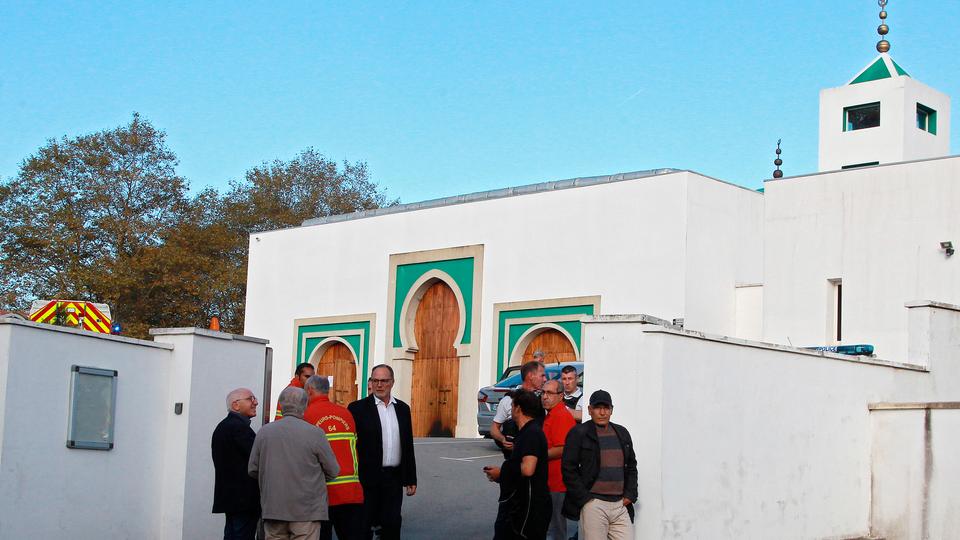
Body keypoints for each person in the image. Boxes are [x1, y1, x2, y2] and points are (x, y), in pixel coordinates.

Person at [249, 386, 340, 540]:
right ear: (305, 406)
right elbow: (333, 470)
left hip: (273, 508)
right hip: (307, 510)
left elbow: (253, 469)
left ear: (281, 406)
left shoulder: (264, 432)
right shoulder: (315, 433)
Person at [348, 365, 417, 540]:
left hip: (393, 479)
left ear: (392, 382)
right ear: (370, 382)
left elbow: (407, 445)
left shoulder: (402, 409)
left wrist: (411, 478)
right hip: (367, 479)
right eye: (375, 380)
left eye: (384, 381)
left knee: (392, 524)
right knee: (363, 526)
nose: (379, 385)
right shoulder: (357, 409)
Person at [561, 390, 638, 540]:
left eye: (606, 408)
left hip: (620, 504)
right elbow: (568, 468)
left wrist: (630, 494)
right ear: (590, 410)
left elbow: (631, 465)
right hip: (594, 504)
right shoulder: (579, 433)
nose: (602, 412)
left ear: (611, 410)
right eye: (598, 408)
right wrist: (585, 498)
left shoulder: (622, 432)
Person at [483, 389, 552, 540]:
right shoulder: (527, 432)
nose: (511, 409)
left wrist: (502, 473)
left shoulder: (531, 433)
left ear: (518, 408)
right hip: (523, 506)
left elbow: (527, 469)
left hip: (527, 510)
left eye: (512, 405)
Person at [303, 375, 364, 540]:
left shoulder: (306, 416)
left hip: (321, 494)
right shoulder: (345, 413)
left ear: (309, 390)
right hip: (351, 491)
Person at [212, 388, 261, 540]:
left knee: (232, 534)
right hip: (244, 499)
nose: (256, 402)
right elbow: (257, 457)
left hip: (233, 498)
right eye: (250, 399)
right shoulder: (238, 428)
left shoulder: (225, 426)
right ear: (236, 405)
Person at [541, 380, 576, 540]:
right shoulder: (551, 414)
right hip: (549, 480)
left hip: (557, 482)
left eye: (550, 393)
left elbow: (563, 448)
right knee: (550, 526)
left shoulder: (561, 415)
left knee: (555, 529)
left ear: (561, 396)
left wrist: (537, 455)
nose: (545, 397)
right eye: (543, 392)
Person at [491, 360, 546, 456]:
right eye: (542, 375)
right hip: (514, 457)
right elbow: (494, 428)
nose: (545, 379)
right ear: (530, 376)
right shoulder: (509, 399)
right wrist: (503, 439)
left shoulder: (545, 399)